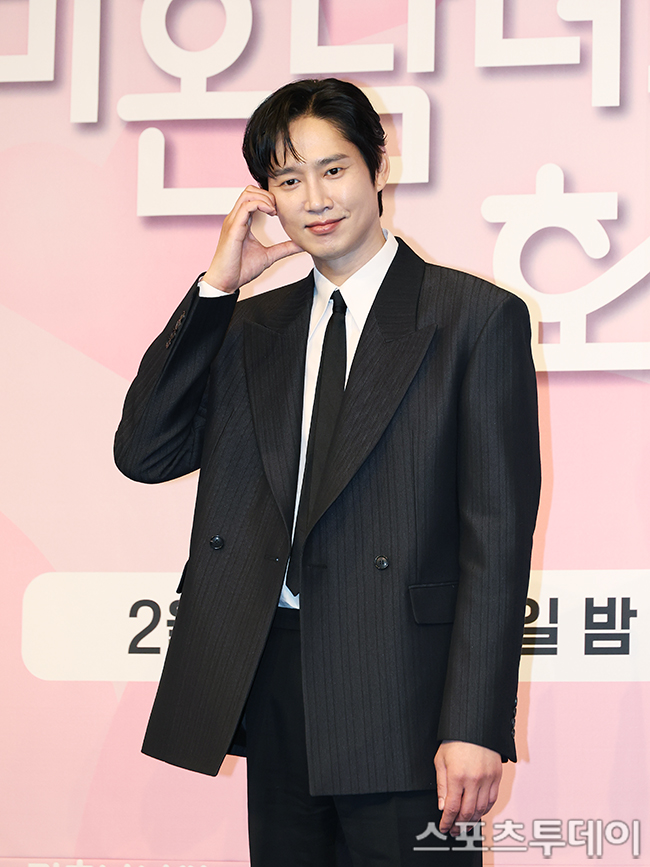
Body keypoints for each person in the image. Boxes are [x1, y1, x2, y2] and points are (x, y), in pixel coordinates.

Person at [115, 77, 541, 866]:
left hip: (407, 690)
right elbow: (146, 451)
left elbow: (497, 536)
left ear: (379, 167)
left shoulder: (474, 319)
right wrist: (217, 288)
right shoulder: (250, 328)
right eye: (288, 179)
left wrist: (476, 722)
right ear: (266, 197)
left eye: (334, 169)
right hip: (276, 669)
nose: (314, 198)